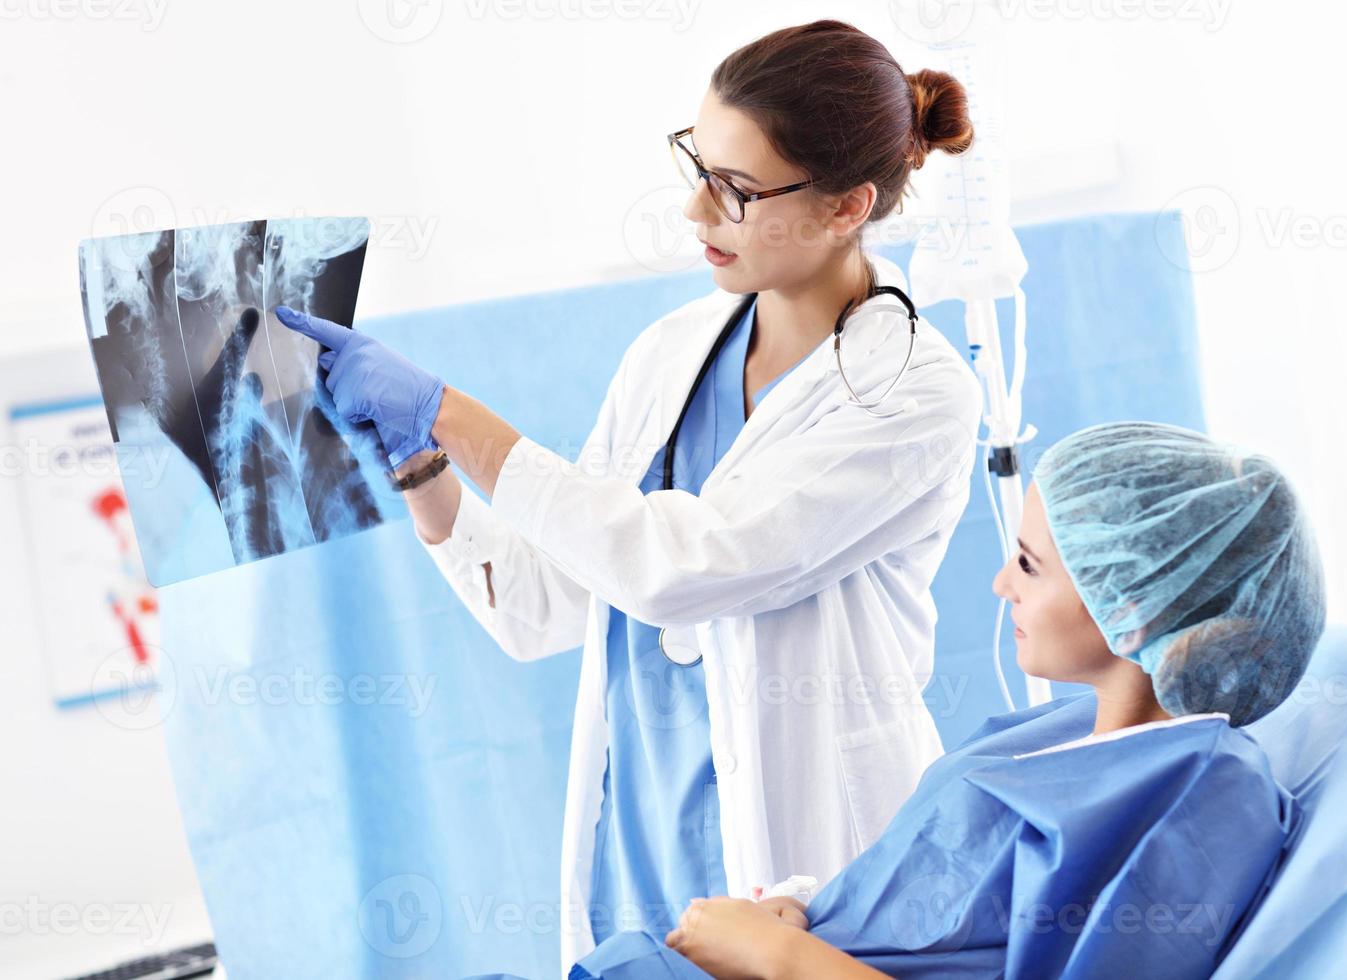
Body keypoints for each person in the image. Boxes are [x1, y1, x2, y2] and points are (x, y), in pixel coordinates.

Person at [275, 20, 987, 976]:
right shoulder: (669, 355)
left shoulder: (908, 387)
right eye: (698, 166)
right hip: (642, 852)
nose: (697, 213)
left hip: (815, 870)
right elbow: (548, 602)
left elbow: (682, 566)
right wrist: (419, 465)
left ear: (847, 207)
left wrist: (449, 414)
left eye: (736, 192)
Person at [551, 421, 1327, 980]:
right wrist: (795, 912)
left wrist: (782, 959)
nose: (1000, 586)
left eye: (1029, 565)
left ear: (1140, 601)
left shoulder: (1207, 794)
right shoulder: (1053, 732)